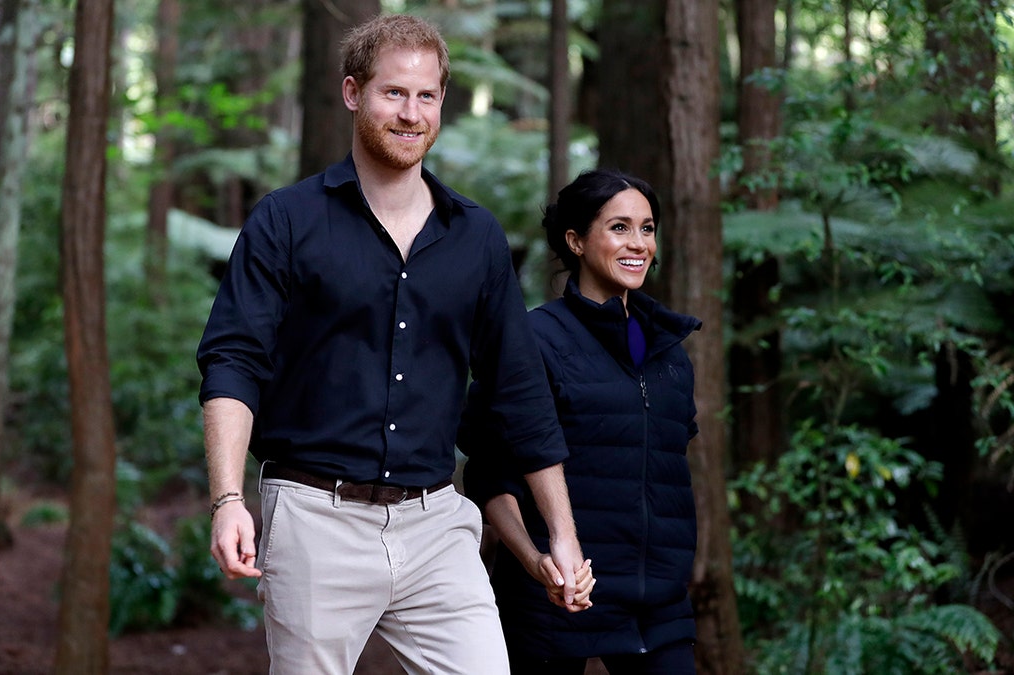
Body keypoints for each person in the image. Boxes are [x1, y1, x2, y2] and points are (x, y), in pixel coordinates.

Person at [195, 14, 588, 675]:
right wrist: (229, 498)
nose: (411, 113)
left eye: (426, 96)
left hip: (437, 521)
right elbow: (233, 360)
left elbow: (519, 392)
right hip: (315, 516)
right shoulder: (286, 221)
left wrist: (565, 534)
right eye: (393, 93)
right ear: (354, 93)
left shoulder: (477, 237)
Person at [458, 168, 701, 674]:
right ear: (575, 240)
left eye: (647, 228)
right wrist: (533, 561)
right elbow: (488, 476)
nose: (638, 243)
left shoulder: (670, 352)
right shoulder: (532, 342)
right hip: (552, 597)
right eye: (619, 227)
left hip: (658, 602)